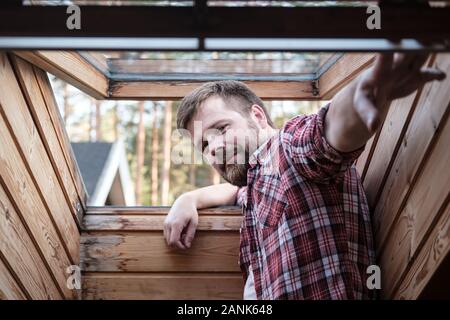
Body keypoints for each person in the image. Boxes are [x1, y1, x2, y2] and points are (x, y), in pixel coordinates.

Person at [163, 53, 446, 299]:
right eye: (204, 145)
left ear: (258, 117)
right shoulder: (255, 183)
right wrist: (188, 199)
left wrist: (371, 88)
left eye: (221, 129)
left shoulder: (288, 146)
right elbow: (234, 191)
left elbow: (328, 130)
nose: (214, 149)